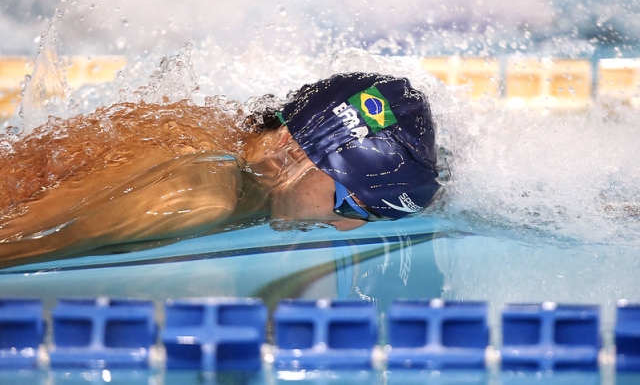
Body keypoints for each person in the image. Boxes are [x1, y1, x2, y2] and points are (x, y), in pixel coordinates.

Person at [0, 72, 440, 268]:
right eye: (352, 204)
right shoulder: (194, 194)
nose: (346, 228)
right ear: (292, 147)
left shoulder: (241, 147)